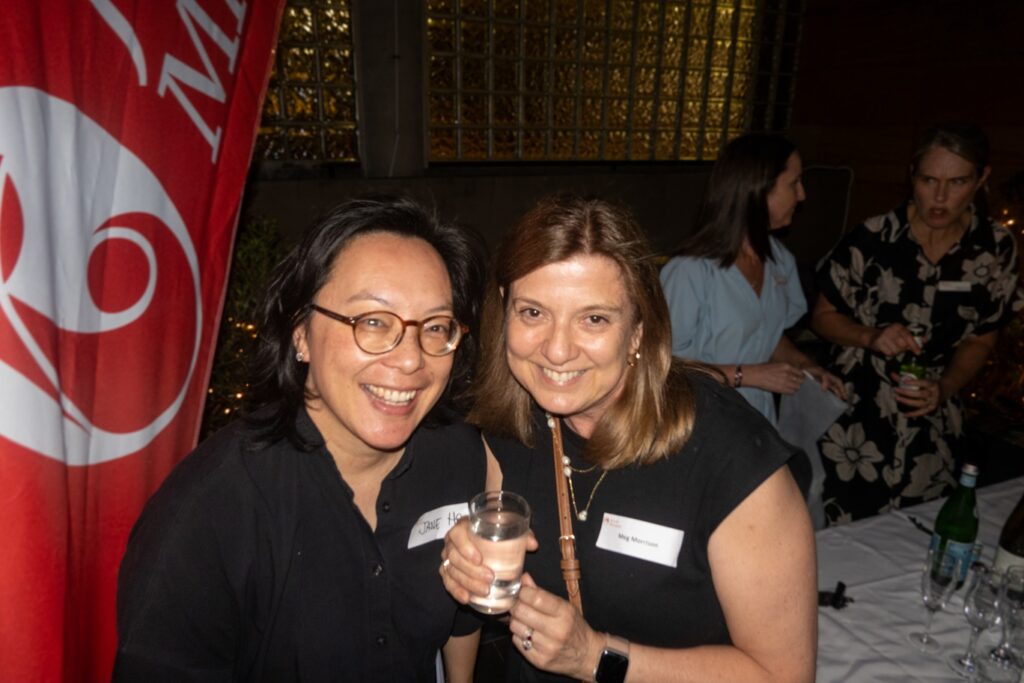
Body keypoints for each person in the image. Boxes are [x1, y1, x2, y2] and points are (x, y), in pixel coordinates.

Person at [440, 196, 817, 682]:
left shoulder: (732, 457)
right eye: (533, 312)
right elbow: (499, 588)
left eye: (594, 319)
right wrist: (469, 563)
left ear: (638, 331)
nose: (557, 349)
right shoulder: (506, 427)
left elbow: (784, 676)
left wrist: (595, 657)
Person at [114, 196, 487, 682]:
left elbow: (462, 615)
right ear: (301, 335)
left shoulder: (457, 456)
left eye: (435, 327)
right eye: (373, 322)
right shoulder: (208, 515)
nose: (412, 359)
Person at [811, 123, 1024, 524]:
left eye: (957, 182)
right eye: (928, 180)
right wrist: (870, 336)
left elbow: (981, 338)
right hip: (857, 421)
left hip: (934, 424)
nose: (940, 197)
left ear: (982, 178)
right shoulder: (873, 237)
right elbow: (821, 318)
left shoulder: (995, 248)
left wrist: (945, 388)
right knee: (841, 537)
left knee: (915, 535)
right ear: (912, 175)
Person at [660, 133, 844, 424]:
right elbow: (666, 368)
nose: (802, 195)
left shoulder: (779, 260)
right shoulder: (689, 272)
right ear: (759, 190)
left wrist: (804, 366)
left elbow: (766, 334)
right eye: (793, 183)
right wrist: (747, 375)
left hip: (757, 420)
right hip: (700, 420)